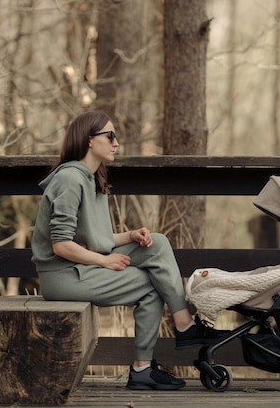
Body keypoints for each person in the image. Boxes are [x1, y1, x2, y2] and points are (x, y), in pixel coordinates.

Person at [31, 110, 228, 391]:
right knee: (150, 286)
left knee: (157, 241)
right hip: (63, 275)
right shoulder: (70, 180)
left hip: (81, 266)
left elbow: (94, 238)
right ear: (89, 140)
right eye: (109, 136)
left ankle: (182, 324)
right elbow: (61, 245)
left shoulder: (90, 179)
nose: (116, 143)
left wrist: (130, 235)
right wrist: (104, 261)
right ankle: (143, 368)